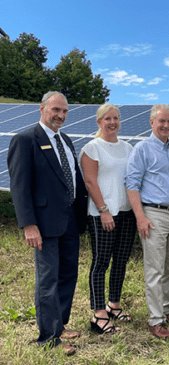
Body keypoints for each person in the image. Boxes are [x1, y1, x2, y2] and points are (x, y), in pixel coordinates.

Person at [7, 91, 88, 355]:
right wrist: (28, 224)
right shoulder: (26, 140)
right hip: (43, 224)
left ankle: (60, 326)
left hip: (69, 222)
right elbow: (20, 187)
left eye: (64, 111)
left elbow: (71, 178)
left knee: (68, 275)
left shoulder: (66, 140)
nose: (61, 116)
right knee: (48, 279)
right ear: (42, 109)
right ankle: (49, 338)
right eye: (56, 110)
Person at [126, 104, 169, 340]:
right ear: (151, 122)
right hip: (154, 215)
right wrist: (140, 217)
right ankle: (155, 320)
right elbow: (131, 184)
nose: (166, 126)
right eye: (161, 121)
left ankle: (167, 308)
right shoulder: (141, 149)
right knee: (155, 268)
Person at [80, 104, 137, 334]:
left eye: (115, 118)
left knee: (121, 260)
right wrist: (103, 210)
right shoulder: (92, 148)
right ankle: (98, 314)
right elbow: (91, 181)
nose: (112, 122)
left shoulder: (128, 148)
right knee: (101, 262)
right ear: (99, 122)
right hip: (103, 213)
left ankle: (113, 304)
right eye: (107, 119)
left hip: (126, 212)